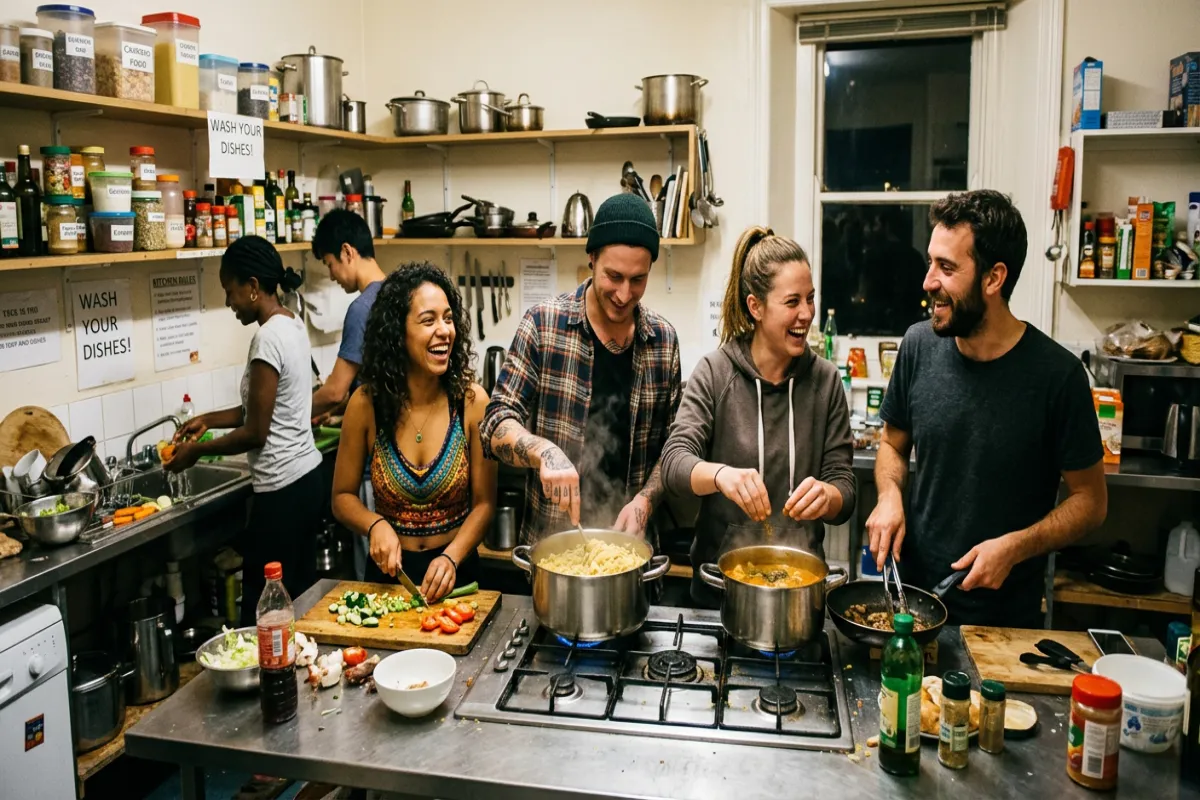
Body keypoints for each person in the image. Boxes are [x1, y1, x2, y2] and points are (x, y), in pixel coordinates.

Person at [866, 189, 1107, 627]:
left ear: (994, 278)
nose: (928, 282)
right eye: (930, 263)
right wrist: (888, 496)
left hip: (1004, 621)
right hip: (913, 607)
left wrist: (1015, 547)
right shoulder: (918, 346)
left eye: (947, 267)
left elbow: (1091, 501)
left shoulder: (1059, 377)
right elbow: (892, 445)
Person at [660, 227, 856, 607]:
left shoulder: (826, 381)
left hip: (798, 595)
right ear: (756, 306)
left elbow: (844, 488)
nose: (807, 314)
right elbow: (674, 464)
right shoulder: (716, 373)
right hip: (719, 590)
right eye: (792, 302)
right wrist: (721, 475)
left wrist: (827, 496)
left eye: (811, 299)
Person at [481, 193, 681, 544]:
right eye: (613, 276)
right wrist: (544, 451)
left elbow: (676, 448)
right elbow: (495, 424)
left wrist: (645, 501)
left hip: (633, 555)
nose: (623, 294)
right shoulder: (544, 324)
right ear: (591, 259)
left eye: (638, 280)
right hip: (552, 551)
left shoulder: (662, 342)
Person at [165, 237, 324, 625]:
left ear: (253, 287)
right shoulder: (290, 324)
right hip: (306, 482)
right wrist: (208, 420)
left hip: (282, 494)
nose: (228, 302)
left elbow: (256, 432)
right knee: (298, 604)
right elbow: (260, 407)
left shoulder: (266, 338)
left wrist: (197, 452)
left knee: (266, 612)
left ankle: (266, 682)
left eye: (230, 291)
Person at [331, 263, 495, 602]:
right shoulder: (365, 405)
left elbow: (484, 504)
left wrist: (451, 556)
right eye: (428, 320)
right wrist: (375, 525)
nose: (444, 331)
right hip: (389, 582)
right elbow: (341, 498)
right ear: (397, 333)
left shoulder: (470, 402)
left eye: (448, 318)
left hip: (457, 579)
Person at [309, 209, 387, 579]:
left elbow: (334, 389)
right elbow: (375, 384)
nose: (331, 275)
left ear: (346, 251)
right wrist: (342, 412)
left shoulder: (362, 308)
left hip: (374, 462)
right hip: (404, 459)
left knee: (371, 570)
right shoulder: (399, 292)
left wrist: (292, 410)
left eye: (329, 264)